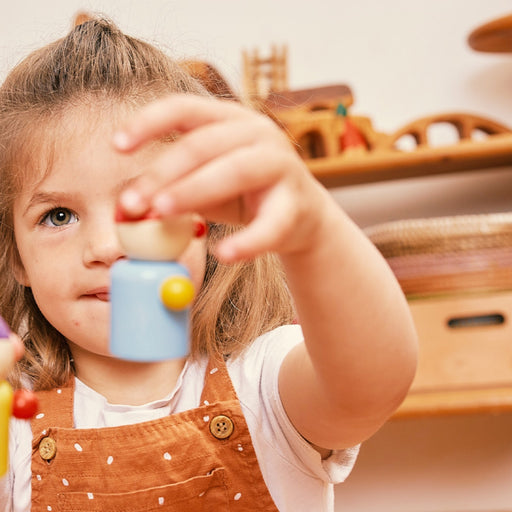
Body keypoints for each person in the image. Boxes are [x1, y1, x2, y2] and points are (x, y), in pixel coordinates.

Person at [0, 16, 418, 512]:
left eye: (144, 202)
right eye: (58, 215)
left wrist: (313, 231)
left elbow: (371, 385)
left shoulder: (264, 384)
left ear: (209, 219)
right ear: (16, 257)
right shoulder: (13, 417)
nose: (107, 246)